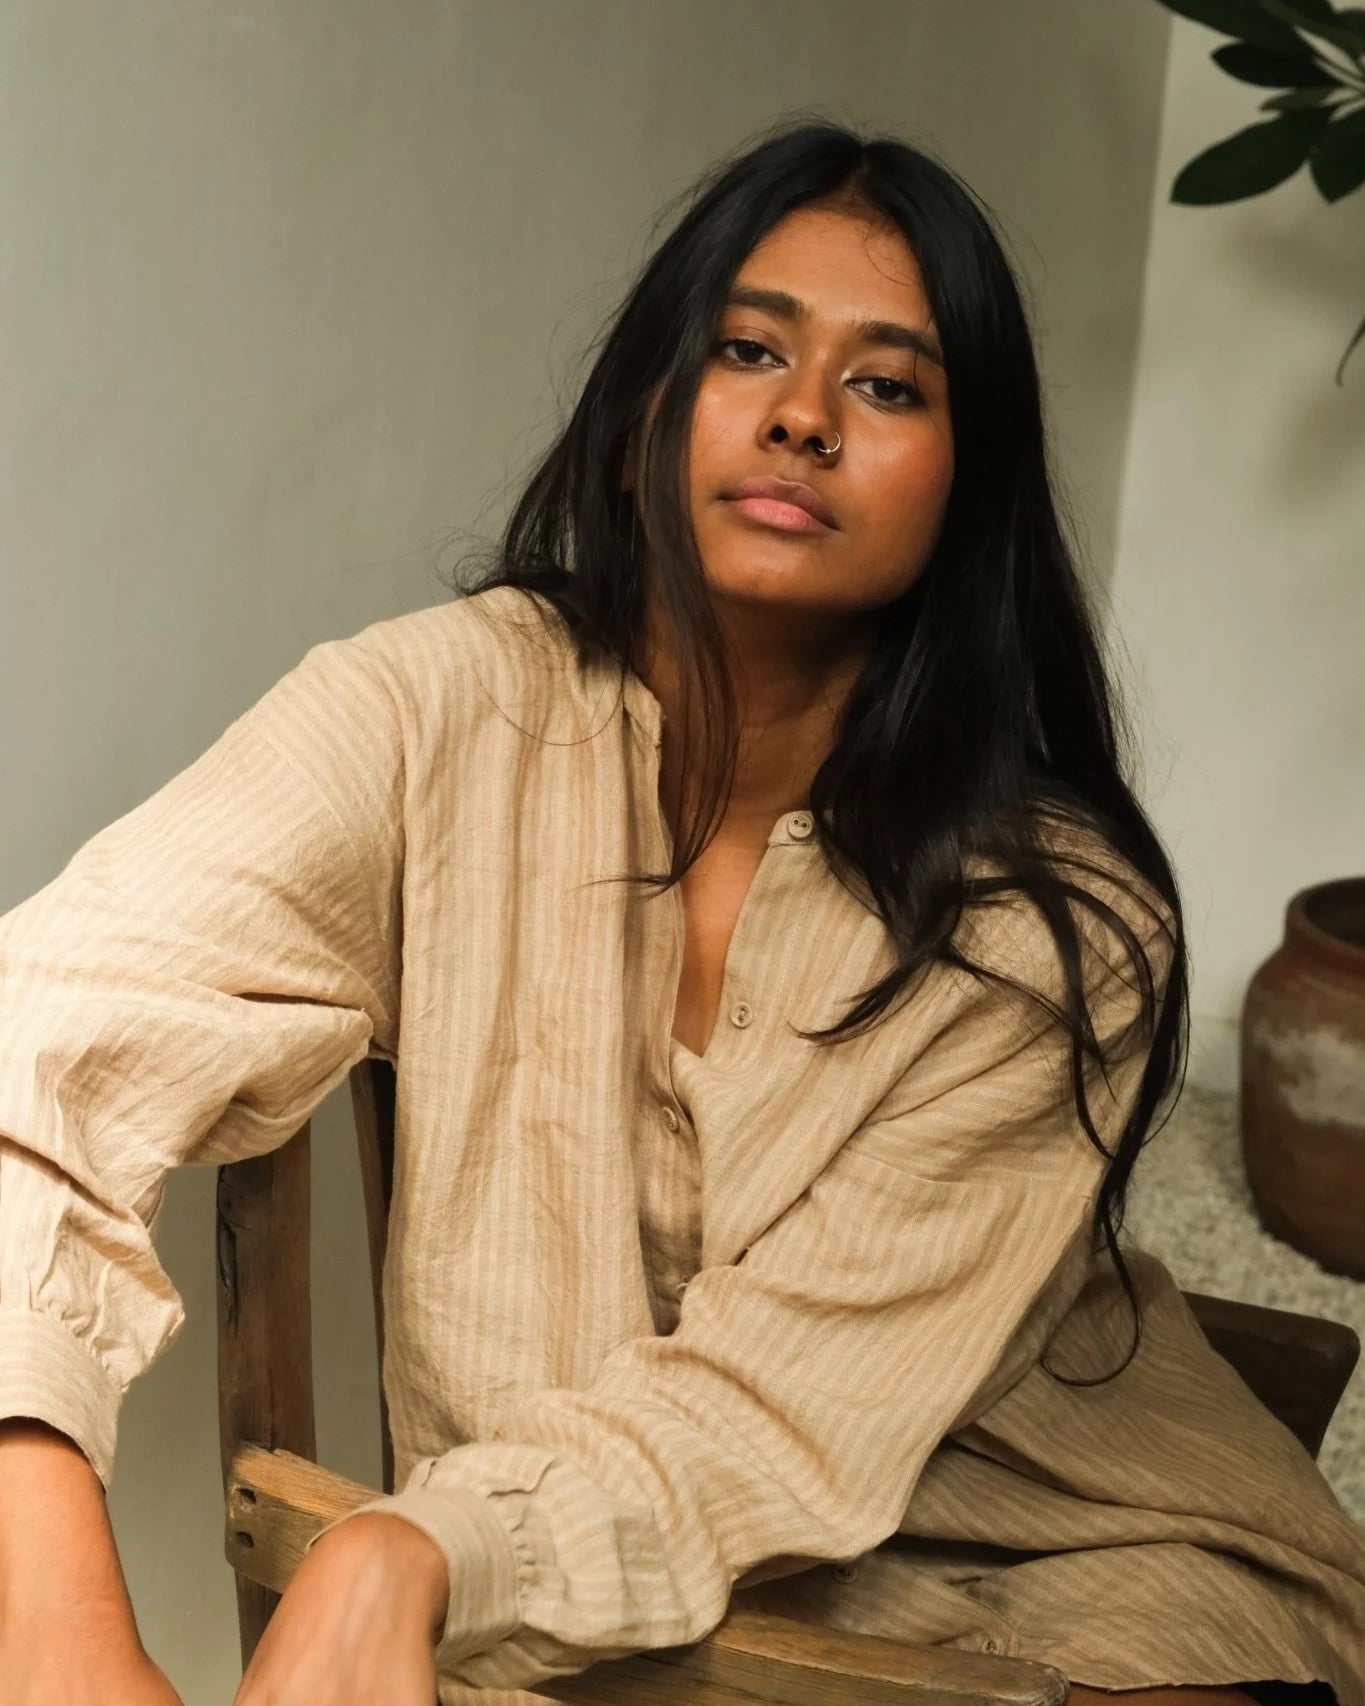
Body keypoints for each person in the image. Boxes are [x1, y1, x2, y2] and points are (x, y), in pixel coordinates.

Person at [0, 118, 1361, 1706]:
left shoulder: (1049, 919)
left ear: (966, 485)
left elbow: (769, 1411)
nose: (800, 416)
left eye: (886, 385)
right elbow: (36, 1045)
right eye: (746, 348)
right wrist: (53, 1627)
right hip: (555, 1599)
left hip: (1053, 1552)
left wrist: (403, 1550)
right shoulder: (432, 713)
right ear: (642, 406)